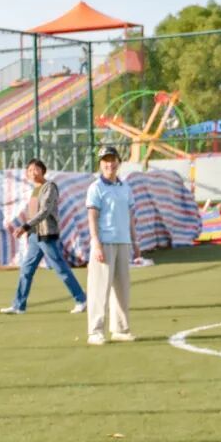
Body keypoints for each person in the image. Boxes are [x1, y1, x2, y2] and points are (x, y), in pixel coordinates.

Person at [0, 158, 87, 315]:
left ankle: (81, 299)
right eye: (29, 170)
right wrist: (29, 229)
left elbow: (45, 211)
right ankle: (19, 305)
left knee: (60, 268)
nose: (33, 173)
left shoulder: (49, 187)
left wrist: (25, 226)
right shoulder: (34, 189)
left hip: (46, 235)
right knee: (26, 270)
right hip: (35, 236)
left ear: (43, 170)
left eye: (36, 169)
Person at [85, 146, 140, 346]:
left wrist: (135, 241)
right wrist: (96, 242)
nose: (110, 164)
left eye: (112, 159)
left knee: (122, 289)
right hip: (104, 242)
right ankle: (95, 331)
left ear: (119, 162)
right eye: (105, 160)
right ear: (100, 164)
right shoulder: (96, 187)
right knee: (99, 289)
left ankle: (120, 329)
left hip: (123, 242)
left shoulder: (125, 187)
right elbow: (92, 216)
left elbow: (130, 216)